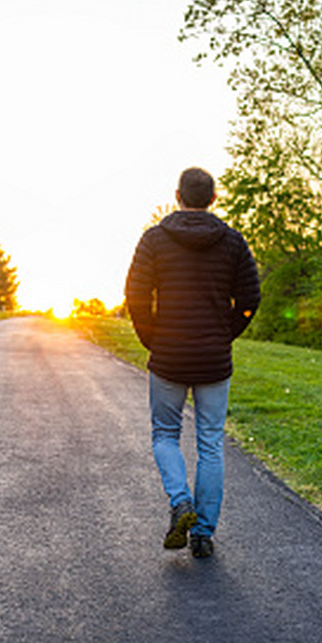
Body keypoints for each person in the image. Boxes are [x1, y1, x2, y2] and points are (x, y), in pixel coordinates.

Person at [125, 167, 261, 558]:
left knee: (165, 434)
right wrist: (224, 334)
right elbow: (250, 301)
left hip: (168, 356)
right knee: (210, 442)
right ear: (213, 199)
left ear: (178, 196)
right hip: (213, 361)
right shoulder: (233, 242)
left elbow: (135, 296)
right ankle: (202, 533)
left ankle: (180, 501)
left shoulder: (154, 239)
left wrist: (152, 337)